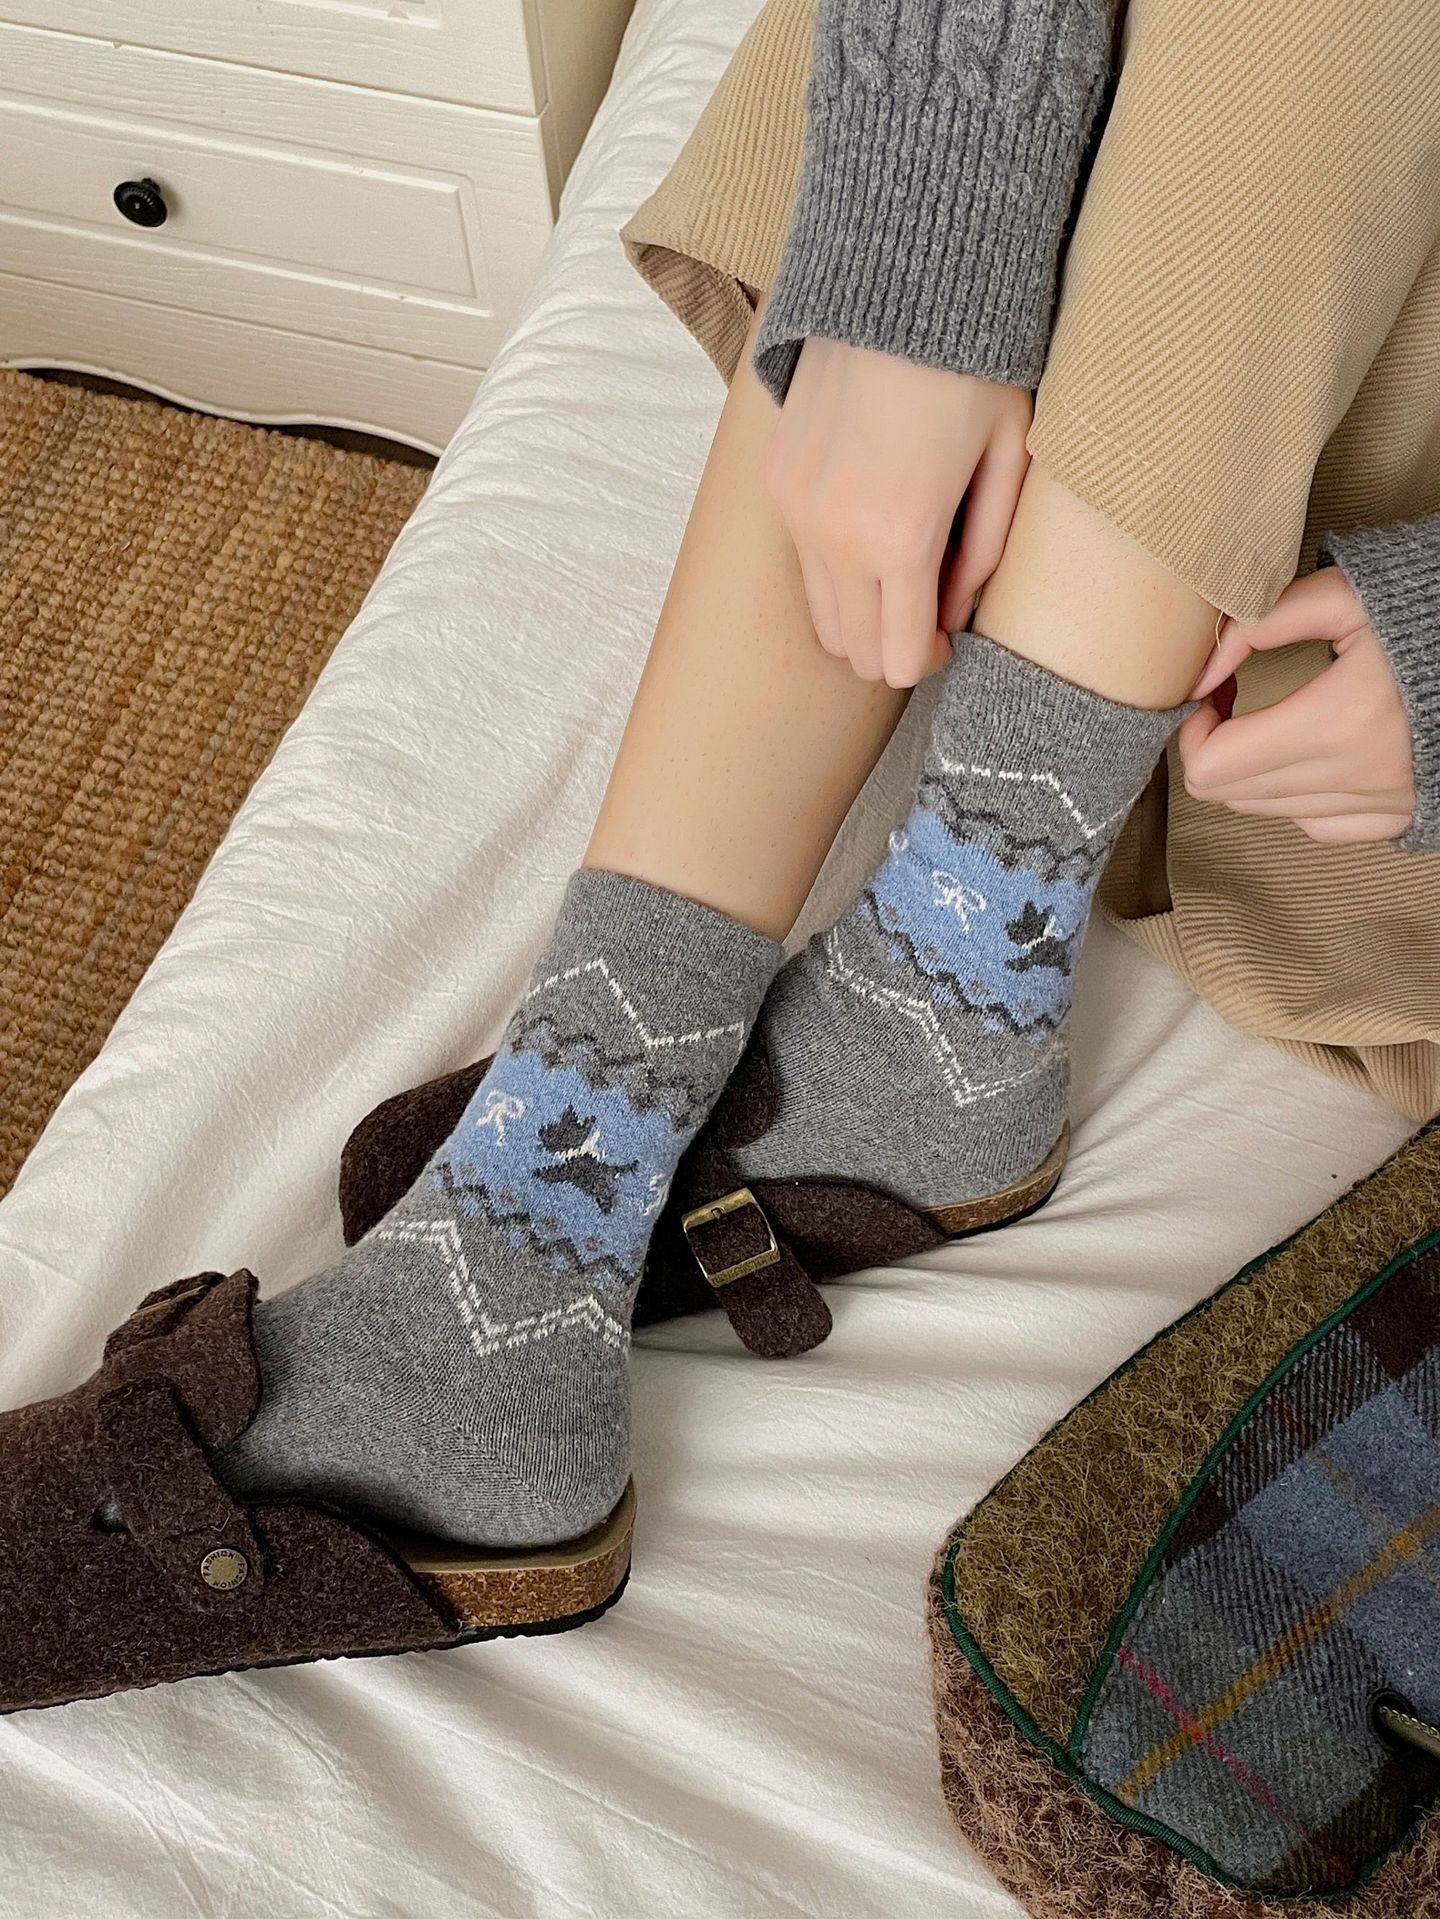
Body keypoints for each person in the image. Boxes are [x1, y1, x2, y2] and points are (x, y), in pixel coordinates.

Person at [211, 0, 1440, 1560]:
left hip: (1347, 725)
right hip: (1184, 539)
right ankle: (637, 1062)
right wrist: (918, 249)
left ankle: (643, 1131)